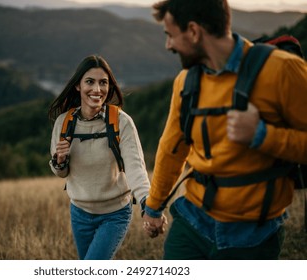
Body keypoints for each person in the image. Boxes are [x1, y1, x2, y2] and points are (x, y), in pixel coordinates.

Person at [142, 0, 307, 259]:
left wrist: (262, 135)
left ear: (194, 32)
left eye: (171, 35)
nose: (168, 45)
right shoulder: (186, 82)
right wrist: (153, 208)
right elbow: (172, 148)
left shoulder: (283, 70)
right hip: (192, 224)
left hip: (254, 235)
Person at [48, 55, 151, 260]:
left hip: (115, 214)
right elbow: (61, 173)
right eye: (89, 82)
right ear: (78, 86)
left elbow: (135, 167)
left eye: (103, 82)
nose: (97, 89)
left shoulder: (121, 121)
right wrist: (60, 162)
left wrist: (148, 203)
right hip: (79, 213)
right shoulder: (64, 122)